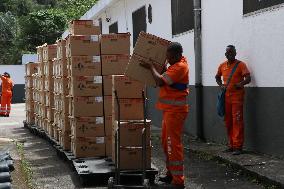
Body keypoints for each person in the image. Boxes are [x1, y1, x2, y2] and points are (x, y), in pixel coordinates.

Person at [140, 42, 189, 189]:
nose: (168, 59)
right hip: (169, 110)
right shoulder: (175, 64)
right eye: (167, 56)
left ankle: (178, 181)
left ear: (178, 55)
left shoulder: (180, 66)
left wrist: (151, 68)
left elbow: (161, 82)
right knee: (165, 143)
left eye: (171, 57)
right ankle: (171, 174)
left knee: (173, 145)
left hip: (175, 112)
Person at [215, 45, 251, 155]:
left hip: (237, 98)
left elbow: (248, 78)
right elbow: (217, 77)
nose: (229, 54)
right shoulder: (222, 65)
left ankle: (238, 147)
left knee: (237, 121)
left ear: (235, 53)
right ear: (225, 54)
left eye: (232, 52)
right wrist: (221, 85)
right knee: (228, 122)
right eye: (228, 52)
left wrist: (240, 84)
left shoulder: (241, 65)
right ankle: (231, 145)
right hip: (226, 98)